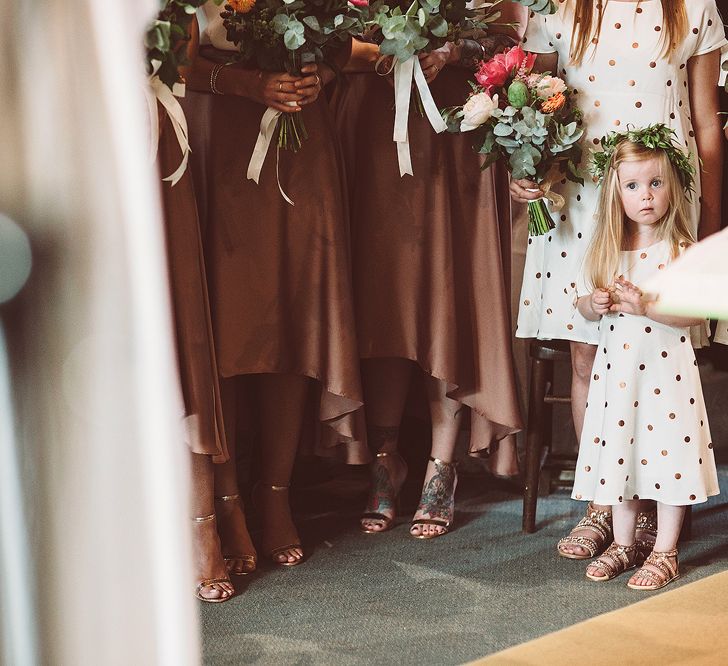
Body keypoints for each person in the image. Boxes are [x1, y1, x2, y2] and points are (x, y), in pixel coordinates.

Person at [510, 0, 726, 559]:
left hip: (663, 200)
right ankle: (604, 505)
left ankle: (656, 502)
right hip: (581, 198)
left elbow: (707, 124)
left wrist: (709, 231)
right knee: (589, 356)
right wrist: (523, 168)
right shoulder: (556, 7)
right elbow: (527, 105)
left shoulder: (693, 7)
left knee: (660, 352)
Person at [181, 1, 366, 571]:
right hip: (221, 138)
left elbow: (345, 42)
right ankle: (229, 500)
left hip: (302, 138)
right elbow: (166, 62)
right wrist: (248, 83)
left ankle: (276, 493)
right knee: (229, 326)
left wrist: (320, 75)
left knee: (294, 313)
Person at [335, 3, 526, 540]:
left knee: (446, 290)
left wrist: (453, 49)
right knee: (384, 300)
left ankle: (442, 464)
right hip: (373, 122)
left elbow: (510, 36)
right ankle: (384, 456)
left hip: (454, 126)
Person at [571, 126, 719, 589]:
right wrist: (591, 305)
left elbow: (695, 315)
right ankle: (623, 541)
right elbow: (581, 301)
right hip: (620, 383)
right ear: (617, 192)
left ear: (671, 187)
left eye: (655, 184)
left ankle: (665, 550)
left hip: (666, 378)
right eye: (633, 186)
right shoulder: (606, 250)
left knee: (670, 456)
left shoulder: (679, 250)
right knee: (623, 456)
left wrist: (647, 306)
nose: (646, 196)